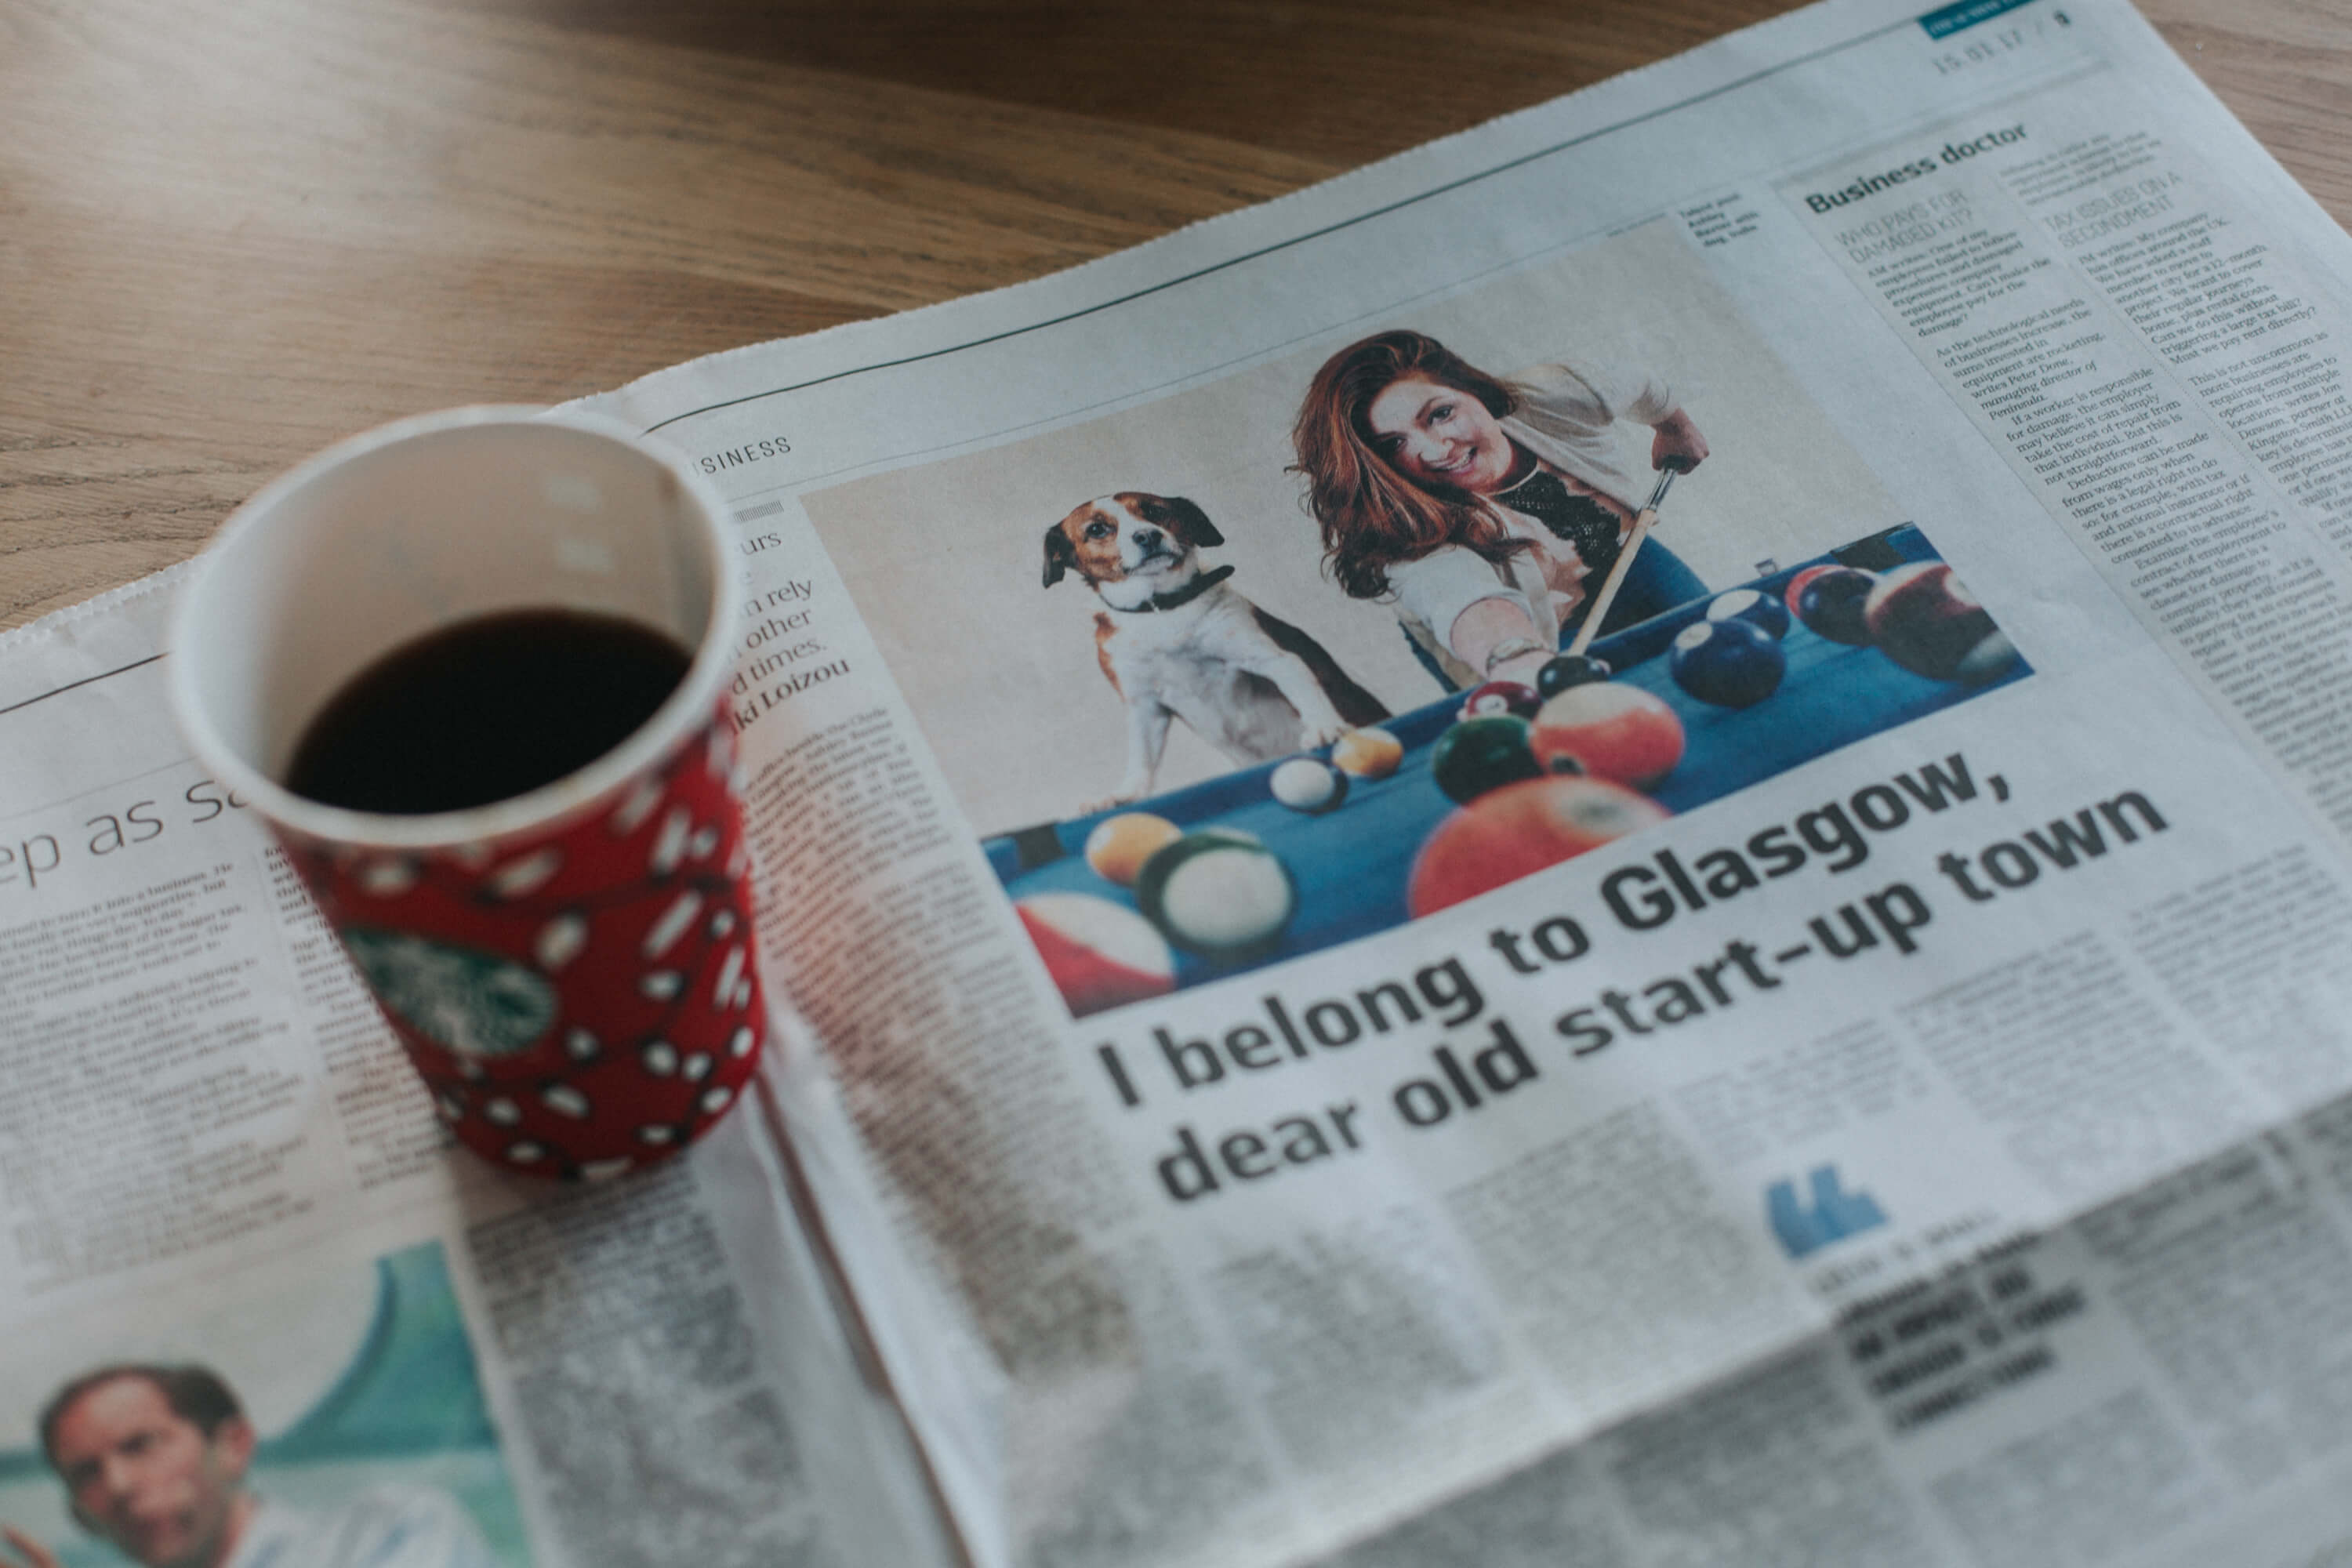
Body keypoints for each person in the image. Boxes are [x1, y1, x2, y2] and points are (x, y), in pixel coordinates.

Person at [1292, 328, 1711, 691]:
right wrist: (1518, 661)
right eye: (1394, 444)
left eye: (1441, 414)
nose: (1437, 450)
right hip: (1539, 632)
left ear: (1472, 389)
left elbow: (1638, 380)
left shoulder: (1550, 396)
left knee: (1719, 636)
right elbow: (1465, 603)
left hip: (1626, 557)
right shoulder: (1402, 535)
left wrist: (1675, 428)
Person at [5, 1364, 495, 1568]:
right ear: (80, 1516)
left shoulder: (388, 1526)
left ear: (233, 1446)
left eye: (141, 1445)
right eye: (86, 1474)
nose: (119, 1484)